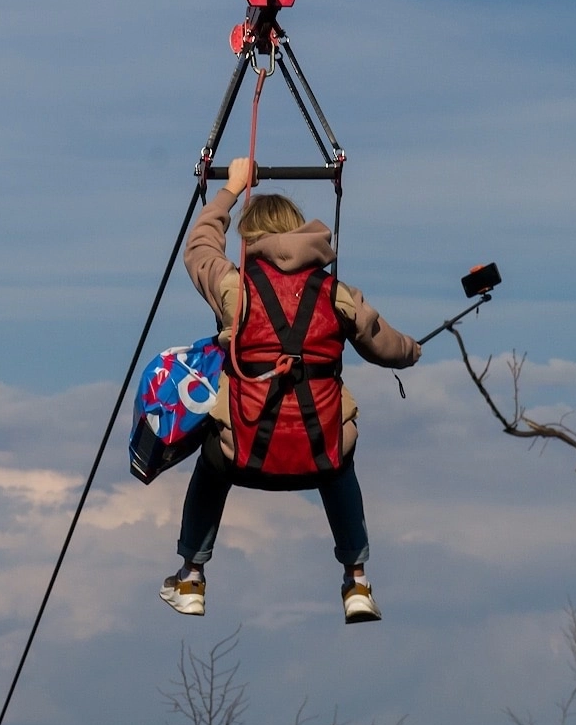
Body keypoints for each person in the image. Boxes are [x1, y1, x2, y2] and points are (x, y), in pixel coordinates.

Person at [160, 156, 419, 624]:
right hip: (318, 454)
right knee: (340, 460)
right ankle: (356, 579)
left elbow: (199, 247)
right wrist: (413, 351)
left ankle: (191, 574)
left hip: (244, 453)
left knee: (210, 463)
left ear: (250, 239)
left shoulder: (234, 287)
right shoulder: (336, 293)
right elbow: (387, 346)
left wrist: (230, 189)